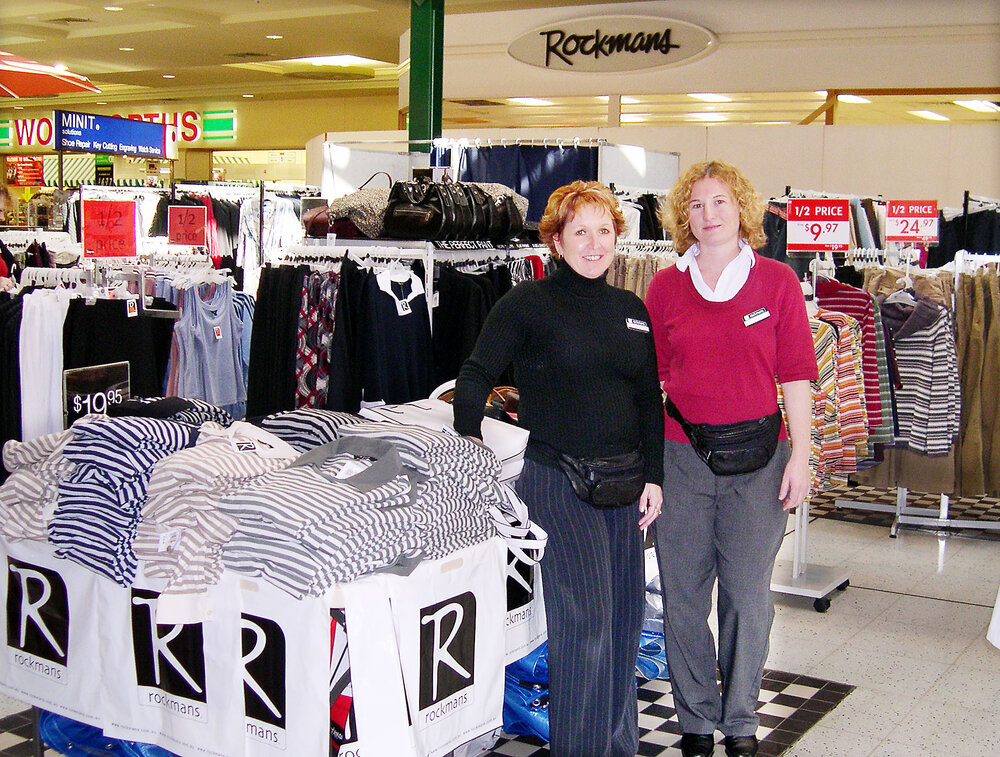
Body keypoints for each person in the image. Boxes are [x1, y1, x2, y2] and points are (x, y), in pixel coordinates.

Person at [453, 180, 664, 757]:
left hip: (624, 487)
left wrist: (656, 479)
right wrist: (468, 444)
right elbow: (474, 376)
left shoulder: (631, 310)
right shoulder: (526, 305)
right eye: (580, 232)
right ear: (556, 240)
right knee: (585, 630)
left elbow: (649, 399)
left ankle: (618, 747)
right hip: (558, 483)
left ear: (617, 237)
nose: (594, 244)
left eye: (604, 231)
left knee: (623, 627)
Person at [644, 160, 817, 757]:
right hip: (681, 459)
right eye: (695, 205)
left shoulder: (776, 282)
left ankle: (740, 719)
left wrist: (803, 456)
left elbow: (796, 373)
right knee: (683, 597)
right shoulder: (664, 287)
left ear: (742, 207)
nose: (708, 214)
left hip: (760, 460)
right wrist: (649, 470)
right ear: (681, 217)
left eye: (719, 201)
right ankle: (694, 719)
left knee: (747, 597)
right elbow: (653, 384)